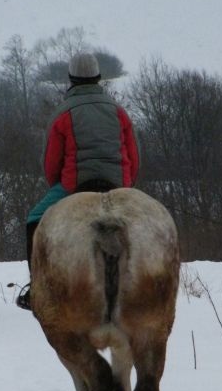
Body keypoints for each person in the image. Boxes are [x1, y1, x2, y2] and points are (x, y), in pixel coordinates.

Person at [16, 51, 140, 310]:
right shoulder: (119, 112)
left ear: (71, 79)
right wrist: (127, 184)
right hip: (119, 184)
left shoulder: (62, 114)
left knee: (33, 219)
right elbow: (134, 154)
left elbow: (51, 162)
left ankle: (36, 288)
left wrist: (60, 187)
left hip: (75, 185)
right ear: (98, 78)